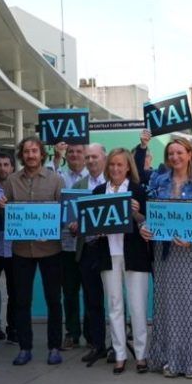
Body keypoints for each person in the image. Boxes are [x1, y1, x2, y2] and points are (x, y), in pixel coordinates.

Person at [140, 137, 192, 377]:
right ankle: (171, 358)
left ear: (189, 154)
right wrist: (145, 227)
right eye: (171, 154)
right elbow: (152, 213)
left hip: (190, 249)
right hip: (163, 250)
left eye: (179, 152)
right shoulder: (158, 181)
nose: (175, 157)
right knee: (168, 304)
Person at [80, 148, 151, 373]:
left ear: (128, 167)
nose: (116, 169)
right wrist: (96, 231)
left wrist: (138, 214)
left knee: (138, 307)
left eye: (120, 165)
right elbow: (89, 230)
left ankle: (141, 354)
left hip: (134, 255)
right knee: (114, 305)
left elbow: (150, 226)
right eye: (112, 165)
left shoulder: (139, 191)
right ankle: (119, 354)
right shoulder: (99, 191)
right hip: (107, 254)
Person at [0, 136, 65, 366]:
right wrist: (2, 209)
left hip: (50, 250)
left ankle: (54, 347)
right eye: (26, 151)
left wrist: (54, 224)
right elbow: (5, 216)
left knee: (53, 300)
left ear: (42, 154)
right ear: (21, 155)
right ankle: (25, 348)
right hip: (21, 251)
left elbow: (63, 215)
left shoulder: (56, 180)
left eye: (34, 151)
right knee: (21, 301)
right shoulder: (11, 181)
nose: (31, 155)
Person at [64, 143, 107, 363]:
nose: (90, 161)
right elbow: (72, 218)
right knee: (92, 300)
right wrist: (72, 226)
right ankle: (97, 343)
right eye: (88, 157)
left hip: (109, 250)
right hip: (86, 249)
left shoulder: (113, 184)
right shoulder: (78, 186)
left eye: (94, 157)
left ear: (104, 158)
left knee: (116, 299)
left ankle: (119, 344)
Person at [58, 143, 89, 350]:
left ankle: (91, 334)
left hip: (87, 246)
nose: (75, 155)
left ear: (85, 155)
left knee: (91, 292)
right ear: (65, 155)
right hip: (65, 245)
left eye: (79, 151)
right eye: (71, 152)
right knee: (69, 293)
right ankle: (72, 333)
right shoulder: (58, 176)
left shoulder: (96, 177)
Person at [0, 151, 17, 343]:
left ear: (12, 167)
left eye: (6, 164)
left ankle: (13, 328)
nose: (2, 168)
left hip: (15, 246)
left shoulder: (19, 187)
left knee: (15, 290)